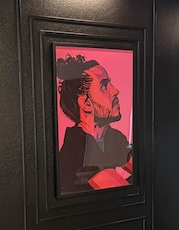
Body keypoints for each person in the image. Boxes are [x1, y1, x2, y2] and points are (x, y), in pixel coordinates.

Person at [56, 54, 133, 193]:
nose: (115, 91)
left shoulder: (116, 138)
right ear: (86, 103)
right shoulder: (74, 155)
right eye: (104, 85)